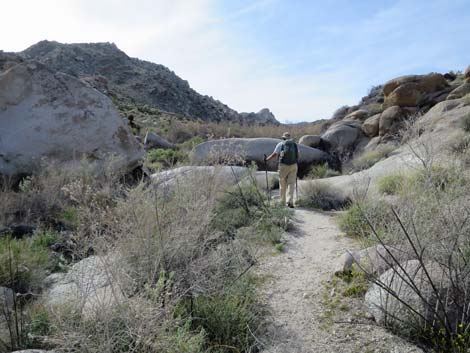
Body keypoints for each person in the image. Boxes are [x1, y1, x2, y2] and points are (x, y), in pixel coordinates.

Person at [265, 132, 299, 208]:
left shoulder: (280, 144)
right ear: (290, 138)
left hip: (283, 166)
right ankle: (290, 201)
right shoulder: (294, 145)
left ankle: (282, 201)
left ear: (283, 138)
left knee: (282, 183)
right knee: (291, 183)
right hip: (293, 165)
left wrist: (267, 159)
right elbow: (298, 155)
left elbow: (274, 154)